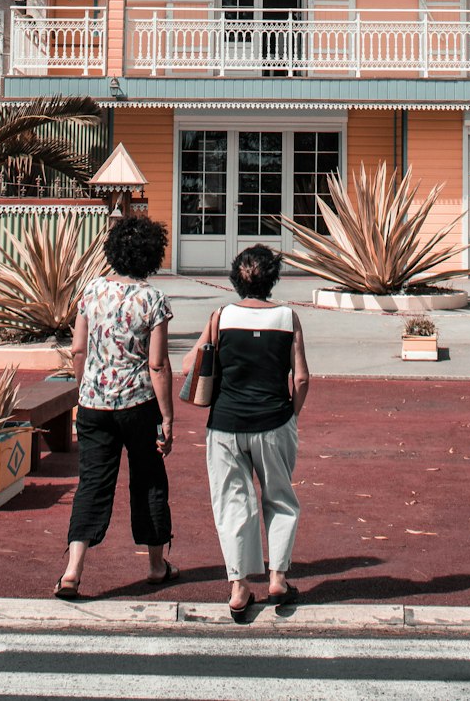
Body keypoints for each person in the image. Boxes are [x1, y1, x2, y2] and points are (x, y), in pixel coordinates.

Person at [184, 243, 310, 622]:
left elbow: (191, 365)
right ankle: (278, 578)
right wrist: (292, 416)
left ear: (235, 278)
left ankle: (239, 586)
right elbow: (301, 377)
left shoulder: (220, 315)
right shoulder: (288, 317)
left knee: (232, 503)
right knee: (280, 499)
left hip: (225, 424)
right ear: (273, 278)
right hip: (273, 419)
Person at [56, 216, 175, 600]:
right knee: (149, 481)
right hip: (138, 403)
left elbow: (77, 349)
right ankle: (156, 565)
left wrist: (84, 389)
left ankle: (73, 570)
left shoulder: (91, 292)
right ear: (151, 256)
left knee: (92, 482)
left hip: (93, 403)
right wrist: (168, 416)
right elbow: (157, 364)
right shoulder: (152, 299)